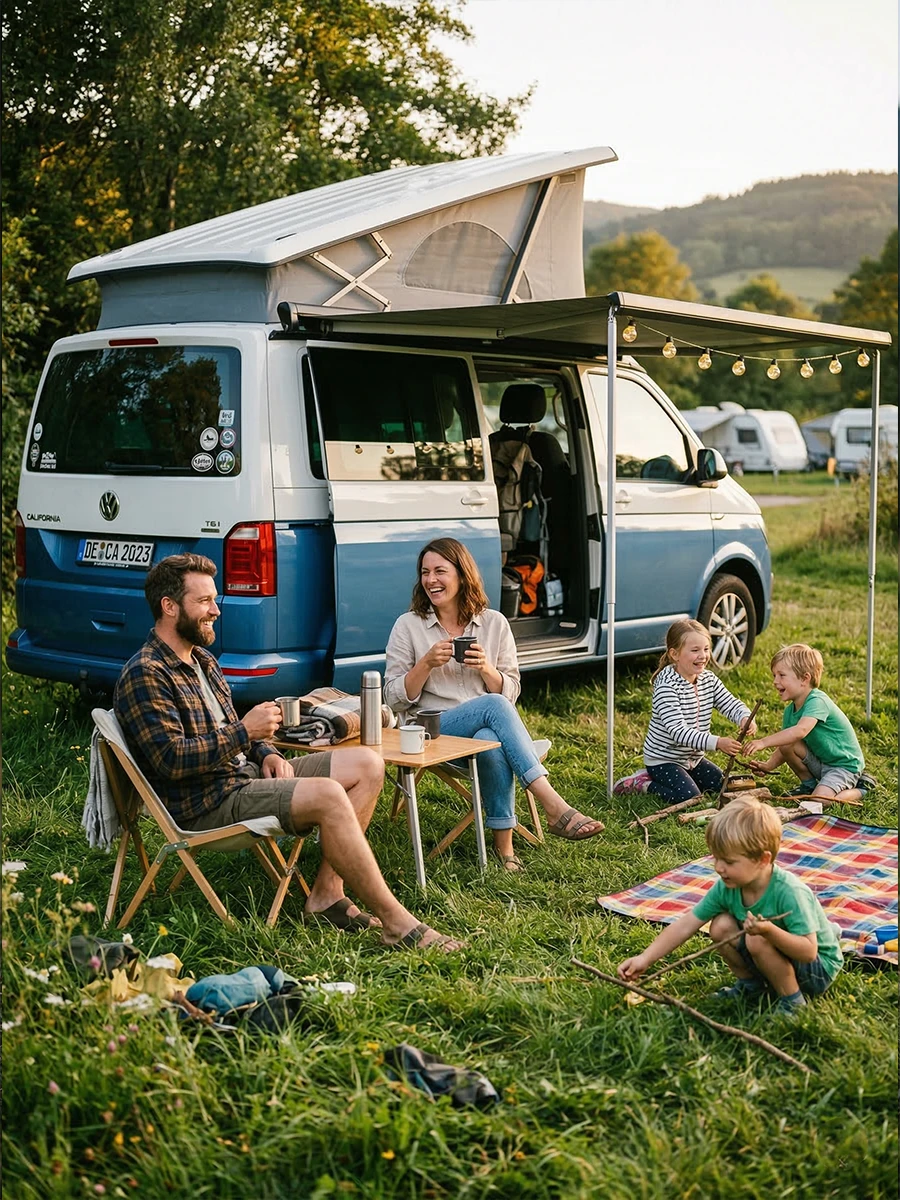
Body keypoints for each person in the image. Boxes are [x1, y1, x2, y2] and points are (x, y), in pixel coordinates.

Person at [114, 553, 463, 952]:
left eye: (215, 599)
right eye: (204, 601)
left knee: (368, 763)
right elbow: (172, 760)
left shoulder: (203, 662)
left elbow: (233, 729)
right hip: (207, 800)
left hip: (244, 776)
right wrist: (245, 732)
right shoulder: (146, 673)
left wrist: (265, 752)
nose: (215, 611)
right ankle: (397, 923)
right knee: (329, 796)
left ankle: (327, 894)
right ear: (169, 606)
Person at [384, 538, 604, 872]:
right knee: (493, 707)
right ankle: (553, 803)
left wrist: (486, 669)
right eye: (425, 572)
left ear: (462, 575)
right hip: (433, 732)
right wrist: (425, 664)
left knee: (491, 736)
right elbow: (393, 697)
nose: (431, 580)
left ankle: (505, 852)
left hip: (487, 729)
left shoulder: (494, 623)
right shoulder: (408, 625)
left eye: (440, 571)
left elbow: (511, 691)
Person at [617, 796, 843, 1015]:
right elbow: (686, 924)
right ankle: (751, 987)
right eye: (716, 858)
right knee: (720, 925)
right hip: (778, 956)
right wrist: (644, 958)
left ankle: (793, 1001)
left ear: (763, 860)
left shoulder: (790, 892)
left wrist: (770, 931)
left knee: (757, 938)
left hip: (817, 971)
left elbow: (808, 951)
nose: (718, 867)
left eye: (729, 862)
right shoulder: (728, 886)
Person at [642, 618, 756, 804]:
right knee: (689, 796)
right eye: (695, 650)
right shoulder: (667, 687)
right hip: (664, 760)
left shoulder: (707, 679)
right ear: (675, 654)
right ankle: (643, 784)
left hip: (693, 759)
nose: (702, 655)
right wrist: (717, 742)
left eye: (706, 649)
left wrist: (744, 717)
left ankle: (688, 777)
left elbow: (729, 703)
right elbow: (678, 732)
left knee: (724, 785)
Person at [745, 643, 872, 805]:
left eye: (781, 675)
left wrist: (763, 742)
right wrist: (769, 766)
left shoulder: (817, 701)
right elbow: (787, 743)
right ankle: (808, 785)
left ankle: (861, 789)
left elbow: (801, 731)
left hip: (844, 766)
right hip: (822, 762)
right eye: (774, 675)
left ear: (805, 678)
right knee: (787, 743)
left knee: (820, 800)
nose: (775, 681)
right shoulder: (790, 711)